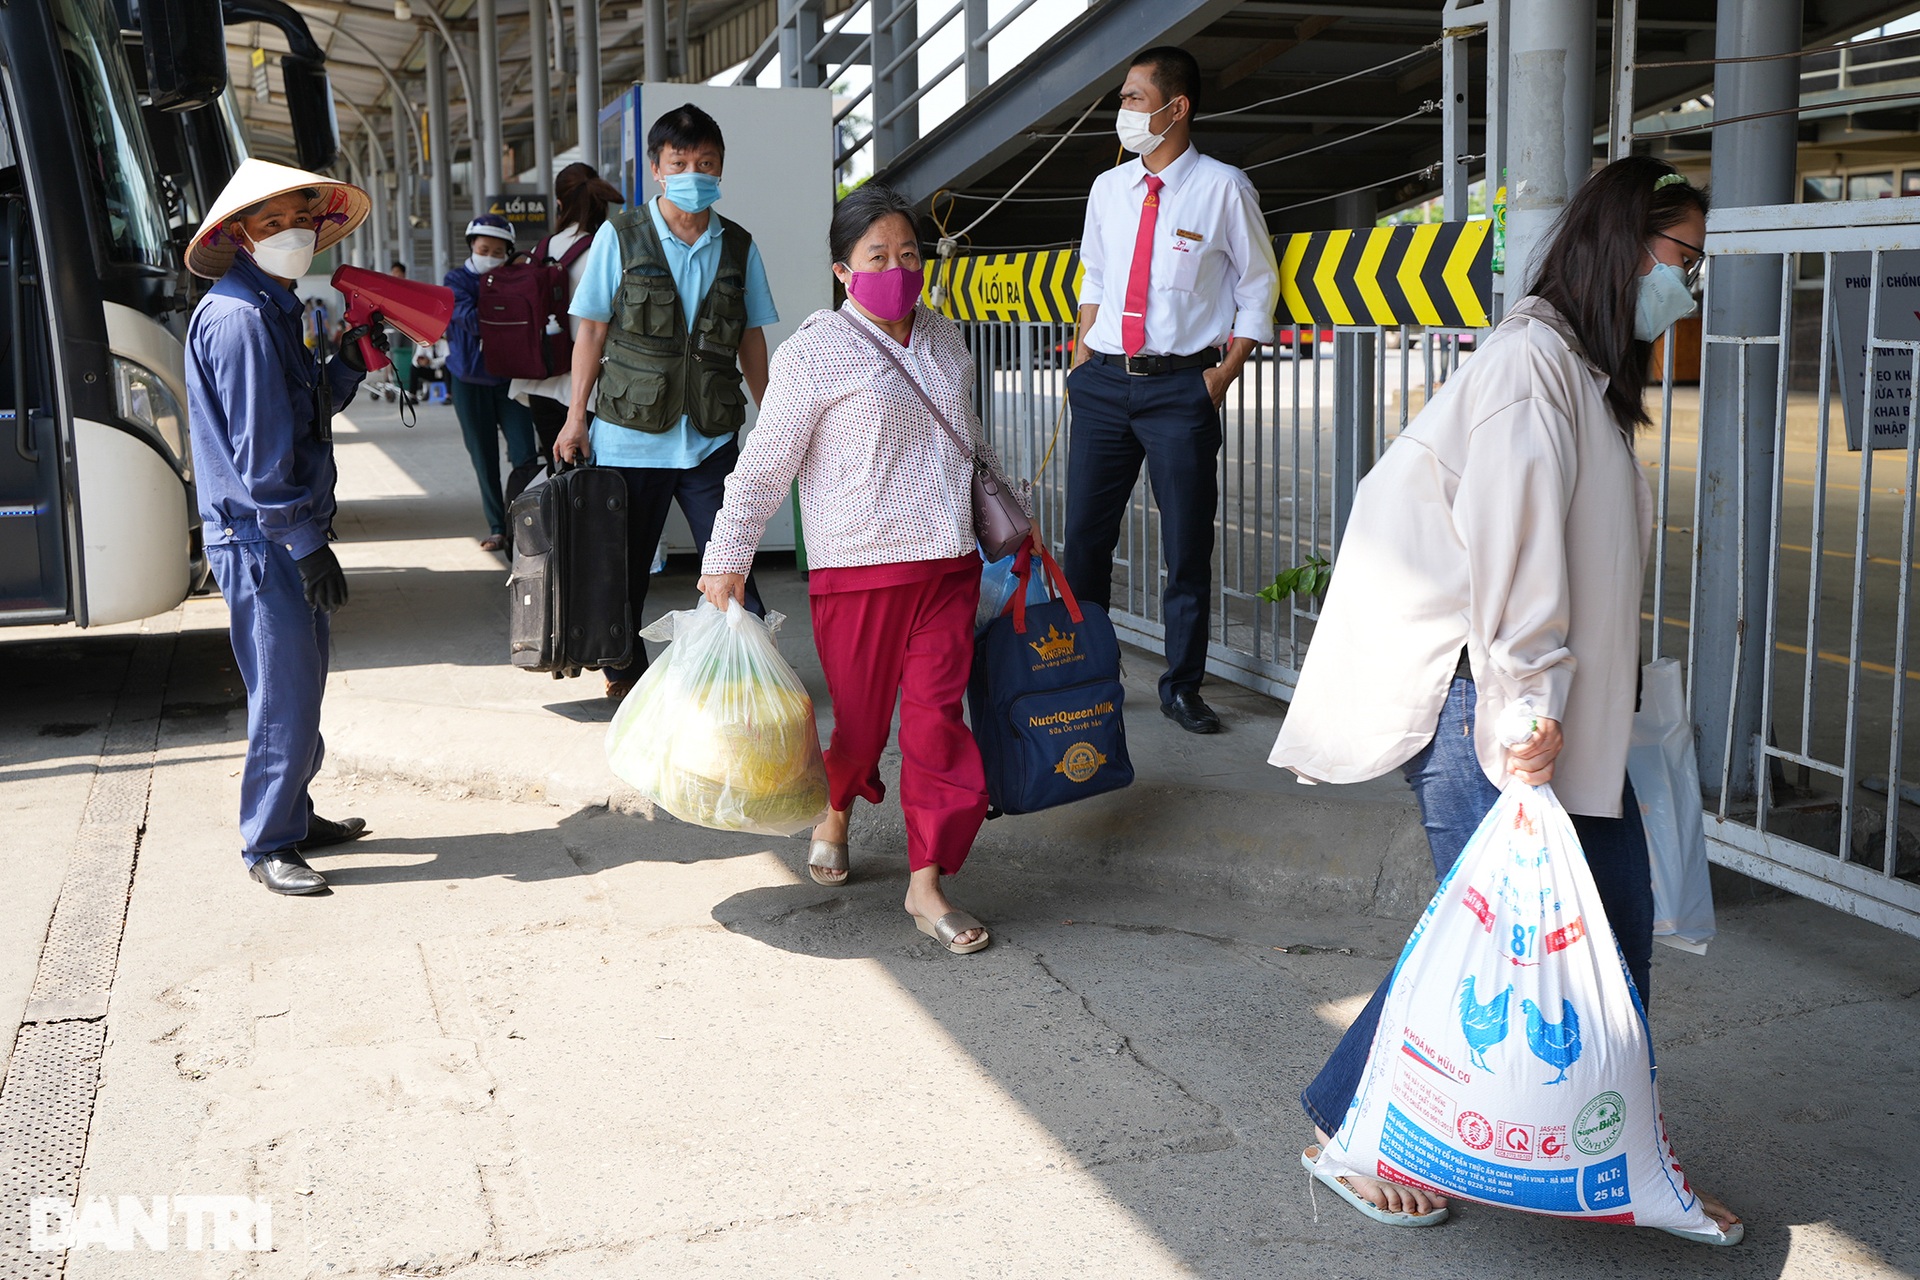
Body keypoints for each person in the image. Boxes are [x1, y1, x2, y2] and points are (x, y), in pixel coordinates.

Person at [1267, 157, 1741, 1239]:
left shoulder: (1578, 369)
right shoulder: (1534, 367)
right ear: (1626, 249)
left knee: (1596, 923)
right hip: (1485, 693)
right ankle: (1358, 1137)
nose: (1692, 285)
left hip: (1552, 698)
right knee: (1495, 928)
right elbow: (1516, 559)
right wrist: (1525, 713)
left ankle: (1623, 1156)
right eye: (1684, 259)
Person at [698, 184, 1026, 955]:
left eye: (909, 254)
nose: (898, 269)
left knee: (937, 724)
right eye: (878, 256)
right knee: (862, 727)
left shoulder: (944, 338)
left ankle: (926, 883)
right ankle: (836, 808)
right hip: (859, 572)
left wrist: (1013, 516)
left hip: (946, 567)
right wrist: (726, 556)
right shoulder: (814, 351)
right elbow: (763, 464)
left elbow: (968, 440)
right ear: (844, 271)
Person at [1063, 45, 1279, 737]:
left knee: (1186, 546)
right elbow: (1094, 276)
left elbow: (1256, 287)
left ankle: (1183, 685)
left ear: (1174, 107)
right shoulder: (1108, 189)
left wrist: (1222, 375)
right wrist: (1080, 357)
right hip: (1101, 385)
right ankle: (1089, 675)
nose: (1122, 110)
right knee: (1084, 543)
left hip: (1180, 390)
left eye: (1132, 97)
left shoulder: (1224, 188)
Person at [183, 159, 385, 896]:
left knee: (303, 683)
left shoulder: (276, 306)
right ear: (240, 234)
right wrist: (306, 545)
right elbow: (261, 455)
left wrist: (353, 360)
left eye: (302, 219)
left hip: (275, 530)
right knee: (283, 691)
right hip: (262, 537)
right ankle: (268, 841)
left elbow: (300, 415)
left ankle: (294, 813)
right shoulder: (240, 319)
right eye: (273, 223)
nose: (292, 233)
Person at [555, 103, 777, 700]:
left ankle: (747, 674)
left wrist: (778, 422)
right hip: (628, 436)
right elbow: (592, 331)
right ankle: (623, 675)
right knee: (621, 574)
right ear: (656, 168)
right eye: (680, 162)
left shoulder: (739, 246)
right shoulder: (619, 237)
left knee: (734, 559)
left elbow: (751, 337)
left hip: (709, 438)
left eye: (706, 163)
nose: (693, 173)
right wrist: (577, 417)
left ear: (722, 168)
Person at [505, 163, 625, 506]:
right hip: (591, 386)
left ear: (559, 203)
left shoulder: (543, 249)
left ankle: (556, 550)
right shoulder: (610, 245)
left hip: (541, 380)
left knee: (558, 472)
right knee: (597, 481)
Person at [445, 213, 538, 553]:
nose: (490, 256)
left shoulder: (514, 278)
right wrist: (505, 314)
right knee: (484, 458)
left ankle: (527, 524)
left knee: (525, 454)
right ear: (472, 246)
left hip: (510, 380)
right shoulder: (455, 280)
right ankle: (498, 527)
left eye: (498, 252)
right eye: (484, 249)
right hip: (468, 382)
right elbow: (468, 319)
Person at [387, 261, 418, 403]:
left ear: (403, 274)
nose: (395, 275)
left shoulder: (408, 288)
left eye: (398, 272)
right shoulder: (390, 289)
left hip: (407, 326)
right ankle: (393, 382)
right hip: (394, 327)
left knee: (407, 354)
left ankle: (407, 385)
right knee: (394, 353)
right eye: (393, 272)